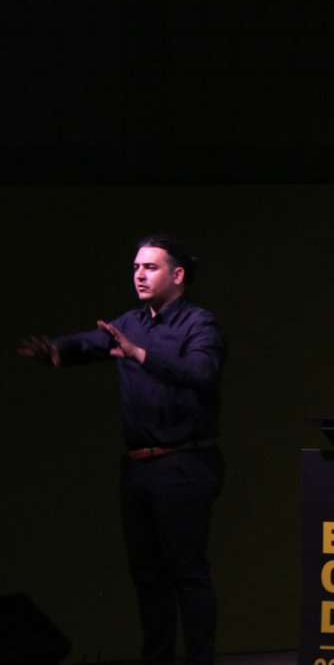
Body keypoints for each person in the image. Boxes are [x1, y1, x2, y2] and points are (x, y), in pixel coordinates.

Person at [18, 235, 226, 665]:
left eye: (150, 267)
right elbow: (91, 342)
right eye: (135, 268)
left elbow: (201, 371)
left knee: (187, 574)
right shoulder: (130, 323)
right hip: (138, 469)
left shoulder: (199, 324)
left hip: (184, 463)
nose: (139, 275)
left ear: (178, 274)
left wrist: (140, 354)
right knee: (148, 576)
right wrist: (55, 350)